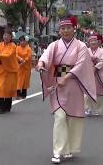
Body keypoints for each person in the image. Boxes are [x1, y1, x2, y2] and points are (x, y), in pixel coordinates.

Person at [36, 15, 96, 164]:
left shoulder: (81, 46)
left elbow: (81, 64)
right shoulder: (54, 45)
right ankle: (57, 151)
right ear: (59, 30)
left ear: (74, 29)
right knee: (60, 117)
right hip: (58, 86)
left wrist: (67, 77)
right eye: (62, 28)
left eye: (68, 27)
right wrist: (41, 63)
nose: (65, 30)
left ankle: (69, 148)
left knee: (73, 118)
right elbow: (46, 56)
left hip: (74, 85)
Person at [85, 34, 103, 116]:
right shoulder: (86, 51)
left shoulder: (102, 51)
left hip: (99, 74)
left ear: (98, 42)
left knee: (100, 93)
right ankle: (88, 108)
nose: (93, 42)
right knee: (87, 92)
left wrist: (95, 67)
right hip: (88, 73)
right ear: (89, 42)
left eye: (94, 41)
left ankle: (96, 109)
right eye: (91, 41)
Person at [16, 35, 32, 99]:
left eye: (23, 41)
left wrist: (24, 60)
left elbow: (29, 56)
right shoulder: (18, 47)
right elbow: (16, 54)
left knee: (25, 81)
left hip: (26, 68)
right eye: (21, 41)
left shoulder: (28, 48)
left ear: (26, 42)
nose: (22, 42)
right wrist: (20, 59)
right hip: (19, 67)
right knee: (18, 80)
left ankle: (24, 94)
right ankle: (18, 94)